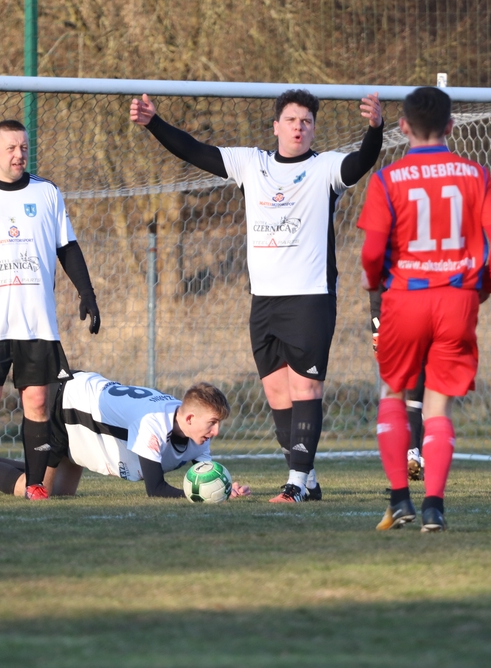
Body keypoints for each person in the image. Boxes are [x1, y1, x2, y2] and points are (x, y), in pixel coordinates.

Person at [130, 89, 384, 503]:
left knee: (305, 390)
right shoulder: (253, 163)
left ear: (313, 129)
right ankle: (309, 480)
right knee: (278, 395)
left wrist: (374, 129)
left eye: (306, 121)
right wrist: (154, 123)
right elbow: (196, 151)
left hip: (310, 298)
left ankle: (295, 484)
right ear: (276, 126)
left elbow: (362, 161)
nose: (299, 127)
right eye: (292, 120)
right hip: (263, 300)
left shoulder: (325, 168)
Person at [357, 87, 491, 532]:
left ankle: (400, 499)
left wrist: (375, 282)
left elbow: (372, 253)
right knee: (438, 406)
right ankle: (434, 507)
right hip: (456, 299)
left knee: (393, 393)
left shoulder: (387, 179)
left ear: (403, 126)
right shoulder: (475, 174)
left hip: (405, 298)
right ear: (450, 126)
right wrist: (482, 288)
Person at [0, 119, 101, 502]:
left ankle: (35, 485)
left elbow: (67, 246)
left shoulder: (47, 192)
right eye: (11, 148)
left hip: (37, 320)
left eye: (24, 147)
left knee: (38, 401)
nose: (19, 154)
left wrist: (87, 293)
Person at [0, 371, 251, 499]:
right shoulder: (154, 423)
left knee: (60, 492)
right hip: (67, 404)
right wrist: (200, 497)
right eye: (212, 423)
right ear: (189, 417)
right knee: (37, 492)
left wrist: (224, 487)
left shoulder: (194, 432)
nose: (216, 432)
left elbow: (203, 472)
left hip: (88, 422)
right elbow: (156, 489)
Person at [369, 290, 426, 481]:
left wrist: (376, 327)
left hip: (398, 317)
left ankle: (408, 457)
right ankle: (415, 453)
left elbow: (373, 283)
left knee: (397, 391)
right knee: (426, 393)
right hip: (428, 311)